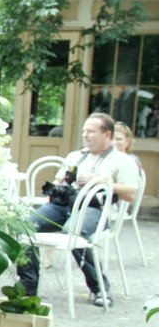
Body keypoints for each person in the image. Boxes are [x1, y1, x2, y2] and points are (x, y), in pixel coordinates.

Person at [17, 113, 139, 307]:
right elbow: (59, 180)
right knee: (24, 227)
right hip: (62, 205)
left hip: (94, 208)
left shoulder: (122, 160)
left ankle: (99, 288)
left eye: (91, 131)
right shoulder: (76, 156)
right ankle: (27, 286)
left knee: (73, 233)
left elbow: (131, 194)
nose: (85, 135)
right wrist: (58, 185)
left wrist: (102, 181)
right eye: (84, 130)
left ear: (107, 134)